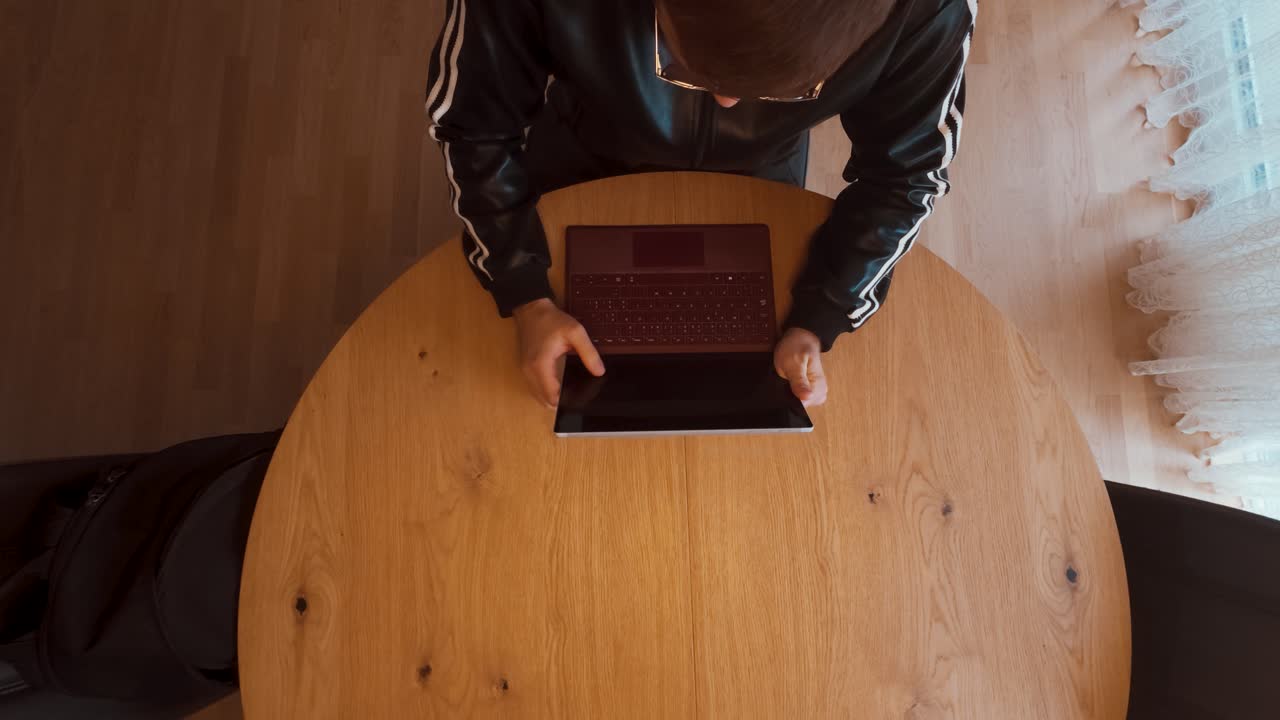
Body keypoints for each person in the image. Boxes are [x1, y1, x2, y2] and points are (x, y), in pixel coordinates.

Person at [425, 0, 976, 408]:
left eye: (777, 84)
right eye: (691, 64)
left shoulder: (928, 9)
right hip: (583, 145)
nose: (728, 100)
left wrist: (822, 314)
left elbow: (906, 174)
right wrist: (525, 293)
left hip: (766, 178)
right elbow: (474, 128)